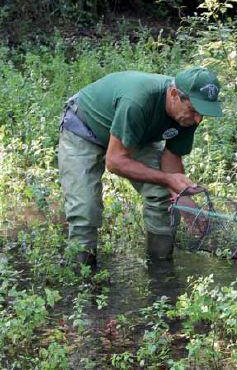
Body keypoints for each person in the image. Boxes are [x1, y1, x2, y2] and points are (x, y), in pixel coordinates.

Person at [58, 67, 222, 269]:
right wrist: (167, 180)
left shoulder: (189, 114)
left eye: (202, 113)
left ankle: (160, 272)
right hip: (84, 127)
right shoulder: (139, 101)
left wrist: (186, 203)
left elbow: (171, 159)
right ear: (173, 95)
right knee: (85, 209)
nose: (198, 119)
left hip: (133, 135)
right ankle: (81, 277)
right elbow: (115, 161)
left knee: (163, 197)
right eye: (194, 110)